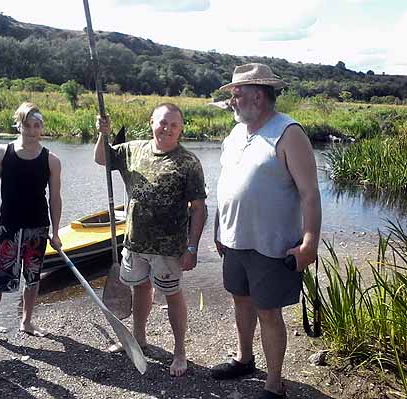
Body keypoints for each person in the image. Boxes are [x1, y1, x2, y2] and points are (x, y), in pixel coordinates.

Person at [211, 63, 322, 399]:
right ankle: (245, 360)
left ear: (257, 96)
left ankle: (274, 384)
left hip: (271, 245)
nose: (231, 100)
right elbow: (225, 184)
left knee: (268, 312)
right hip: (233, 240)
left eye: (236, 93)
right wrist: (219, 228)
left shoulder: (289, 132)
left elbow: (310, 193)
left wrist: (310, 243)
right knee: (241, 301)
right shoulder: (235, 134)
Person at [95, 103, 207, 377]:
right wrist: (103, 133)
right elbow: (103, 159)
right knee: (140, 289)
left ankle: (180, 352)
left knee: (172, 295)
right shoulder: (133, 149)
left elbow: (199, 208)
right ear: (151, 122)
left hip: (169, 248)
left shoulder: (188, 162)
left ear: (180, 129)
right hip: (135, 242)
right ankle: (139, 338)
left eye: (174, 125)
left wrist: (191, 248)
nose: (167, 128)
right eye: (162, 122)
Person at [0, 102, 62, 350]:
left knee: (32, 278)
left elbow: (55, 198)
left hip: (37, 228)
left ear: (42, 128)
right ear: (18, 125)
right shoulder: (2, 152)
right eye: (27, 125)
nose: (32, 130)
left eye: (36, 125)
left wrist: (55, 231)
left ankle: (27, 321)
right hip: (8, 227)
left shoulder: (51, 160)